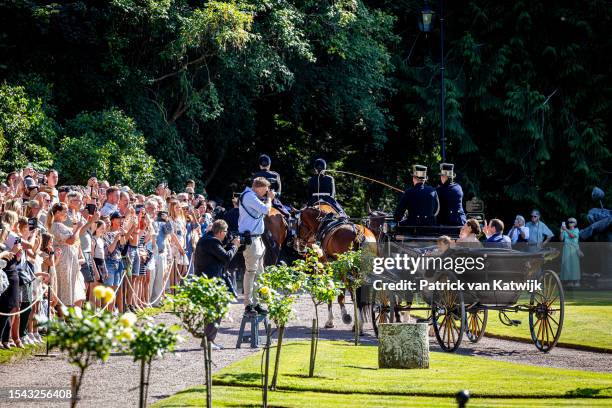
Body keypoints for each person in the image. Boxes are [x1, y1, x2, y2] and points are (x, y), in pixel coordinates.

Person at [194, 220, 240, 345]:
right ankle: (209, 341)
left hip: (206, 280)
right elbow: (226, 257)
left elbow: (219, 254)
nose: (226, 234)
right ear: (220, 232)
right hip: (211, 281)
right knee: (215, 311)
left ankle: (208, 340)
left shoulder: (206, 239)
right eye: (225, 232)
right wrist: (235, 245)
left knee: (212, 311)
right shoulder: (212, 242)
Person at [238, 177, 273, 314]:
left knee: (259, 273)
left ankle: (256, 303)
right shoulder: (249, 196)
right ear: (259, 187)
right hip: (251, 240)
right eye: (265, 190)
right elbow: (265, 210)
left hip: (257, 239)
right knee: (251, 273)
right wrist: (270, 199)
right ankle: (248, 305)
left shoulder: (251, 196)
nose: (266, 192)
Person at [47, 203, 87, 307]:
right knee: (64, 286)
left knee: (69, 286)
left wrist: (76, 227)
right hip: (63, 260)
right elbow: (70, 240)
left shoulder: (61, 225)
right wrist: (78, 228)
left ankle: (67, 314)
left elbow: (74, 239)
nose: (67, 214)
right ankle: (61, 314)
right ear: (57, 212)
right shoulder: (56, 226)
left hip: (69, 258)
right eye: (65, 212)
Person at [560, 218, 581, 287]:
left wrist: (565, 229)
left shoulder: (576, 230)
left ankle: (576, 281)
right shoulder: (565, 230)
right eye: (568, 222)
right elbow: (561, 239)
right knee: (567, 264)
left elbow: (572, 236)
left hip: (574, 249)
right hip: (566, 248)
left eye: (572, 222)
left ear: (575, 223)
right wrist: (562, 231)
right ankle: (569, 281)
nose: (570, 223)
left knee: (574, 265)